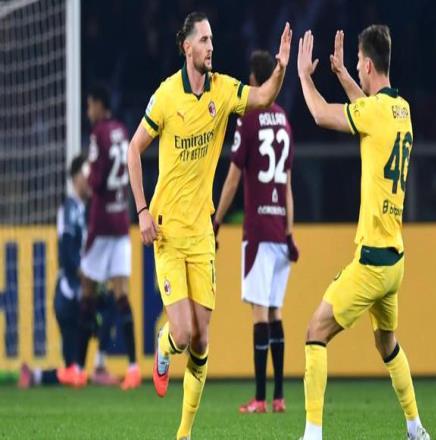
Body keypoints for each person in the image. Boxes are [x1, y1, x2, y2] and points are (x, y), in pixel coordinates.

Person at [127, 11, 291, 439]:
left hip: (202, 233)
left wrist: (281, 67)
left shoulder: (223, 89)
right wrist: (142, 211)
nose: (211, 47)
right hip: (167, 231)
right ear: (187, 47)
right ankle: (164, 345)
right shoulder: (166, 96)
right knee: (182, 333)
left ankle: (183, 434)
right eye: (203, 40)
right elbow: (133, 150)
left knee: (202, 342)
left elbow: (263, 97)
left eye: (212, 39)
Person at [296, 26, 430, 440]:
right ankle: (416, 428)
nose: (356, 66)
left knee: (315, 332)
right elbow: (370, 109)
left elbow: (321, 114)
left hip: (371, 261)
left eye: (357, 62)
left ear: (369, 65)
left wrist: (304, 76)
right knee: (387, 344)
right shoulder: (402, 110)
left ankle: (312, 434)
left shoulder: (375, 113)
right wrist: (340, 74)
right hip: (395, 261)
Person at [213, 50, 298, 414]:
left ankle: (260, 398)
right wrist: (290, 232)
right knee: (276, 312)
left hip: (259, 231)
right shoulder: (285, 122)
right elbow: (288, 184)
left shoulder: (248, 121)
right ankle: (278, 396)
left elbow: (233, 178)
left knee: (260, 314)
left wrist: (216, 220)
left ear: (254, 82)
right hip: (280, 230)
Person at [79, 84, 140, 390]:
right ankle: (133, 367)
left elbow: (95, 180)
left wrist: (86, 179)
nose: (88, 111)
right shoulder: (121, 131)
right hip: (121, 221)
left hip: (102, 223)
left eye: (90, 105)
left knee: (86, 289)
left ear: (99, 105)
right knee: (121, 294)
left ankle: (78, 367)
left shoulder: (98, 133)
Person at [18, 155, 90, 388]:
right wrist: (82, 273)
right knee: (74, 372)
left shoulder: (87, 208)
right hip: (68, 294)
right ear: (76, 177)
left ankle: (42, 374)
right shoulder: (69, 208)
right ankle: (37, 375)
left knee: (77, 369)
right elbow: (67, 251)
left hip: (81, 293)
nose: (90, 179)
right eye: (86, 173)